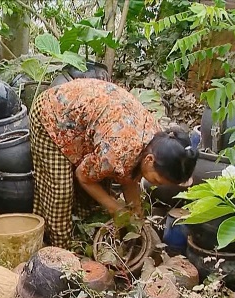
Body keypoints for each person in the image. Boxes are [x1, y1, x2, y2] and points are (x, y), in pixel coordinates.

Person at [30, 78, 198, 249]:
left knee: (96, 191)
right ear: (150, 160)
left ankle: (82, 233)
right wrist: (114, 207)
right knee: (61, 192)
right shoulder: (117, 152)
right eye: (157, 180)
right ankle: (62, 250)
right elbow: (83, 176)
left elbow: (130, 175)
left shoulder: (159, 142)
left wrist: (136, 210)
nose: (155, 184)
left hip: (85, 119)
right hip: (52, 114)